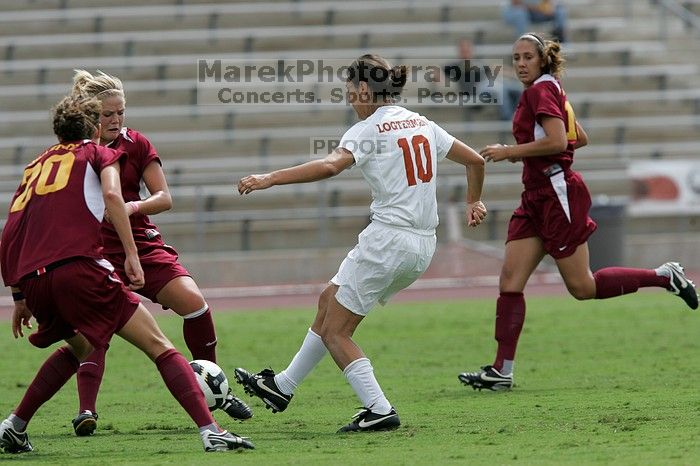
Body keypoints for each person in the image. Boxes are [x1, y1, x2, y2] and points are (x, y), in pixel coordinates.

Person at [233, 54, 487, 432]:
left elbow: (330, 165)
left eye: (351, 91)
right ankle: (281, 386)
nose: (350, 99)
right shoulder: (422, 122)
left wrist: (270, 178)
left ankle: (379, 408)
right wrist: (473, 200)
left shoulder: (368, 128)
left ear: (365, 90)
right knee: (328, 299)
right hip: (422, 244)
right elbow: (475, 161)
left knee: (337, 331)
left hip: (388, 241)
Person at [0, 95, 253, 453]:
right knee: (159, 345)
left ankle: (14, 425)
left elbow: (10, 231)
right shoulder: (100, 154)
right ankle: (212, 431)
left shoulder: (34, 166)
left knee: (81, 346)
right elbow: (113, 197)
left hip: (35, 278)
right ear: (94, 126)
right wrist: (132, 254)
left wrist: (19, 295)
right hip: (80, 269)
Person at [458, 33, 698, 392]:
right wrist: (536, 151)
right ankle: (501, 371)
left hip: (556, 194)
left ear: (542, 60)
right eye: (516, 58)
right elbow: (578, 137)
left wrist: (510, 152)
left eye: (527, 57)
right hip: (535, 196)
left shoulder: (541, 91)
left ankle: (665, 276)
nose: (521, 63)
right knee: (510, 282)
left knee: (583, 287)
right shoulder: (548, 88)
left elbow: (558, 142)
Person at [67, 70, 251, 436]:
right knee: (94, 330)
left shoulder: (137, 144)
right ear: (90, 115)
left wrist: (131, 208)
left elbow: (164, 197)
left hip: (141, 243)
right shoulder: (77, 151)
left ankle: (213, 386)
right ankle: (86, 410)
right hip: (95, 250)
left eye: (121, 112)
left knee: (194, 302)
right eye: (107, 114)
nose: (116, 120)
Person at [443, 38, 521, 121]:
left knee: (516, 88)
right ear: (459, 51)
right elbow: (441, 72)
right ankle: (508, 119)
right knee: (499, 89)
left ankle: (519, 116)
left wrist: (512, 73)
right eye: (463, 49)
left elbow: (492, 69)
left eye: (468, 49)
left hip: (489, 84)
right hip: (477, 90)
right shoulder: (455, 66)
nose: (466, 51)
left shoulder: (477, 63)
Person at [503, 1, 568, 42]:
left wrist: (549, 8)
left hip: (538, 13)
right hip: (522, 12)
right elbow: (516, 2)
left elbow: (548, 4)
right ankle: (522, 43)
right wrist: (536, 8)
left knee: (560, 11)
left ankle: (561, 39)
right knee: (520, 14)